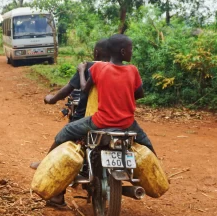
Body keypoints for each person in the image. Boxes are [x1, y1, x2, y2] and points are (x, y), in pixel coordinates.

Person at [44, 34, 155, 206]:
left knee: (65, 133)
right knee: (146, 144)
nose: (132, 52)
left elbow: (83, 89)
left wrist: (82, 71)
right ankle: (154, 176)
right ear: (123, 51)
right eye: (131, 49)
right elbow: (140, 94)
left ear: (97, 52)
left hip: (100, 121)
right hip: (127, 123)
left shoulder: (96, 69)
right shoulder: (133, 70)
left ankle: (49, 173)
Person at [43, 39, 110, 121]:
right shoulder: (119, 69)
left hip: (85, 116)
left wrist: (52, 99)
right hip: (112, 117)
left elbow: (68, 89)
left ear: (96, 52)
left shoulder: (88, 66)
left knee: (65, 133)